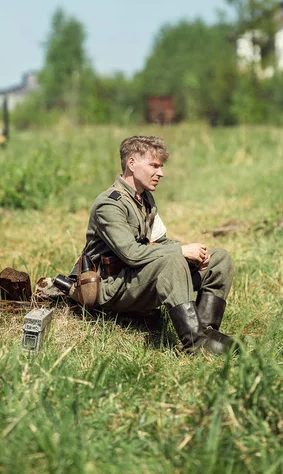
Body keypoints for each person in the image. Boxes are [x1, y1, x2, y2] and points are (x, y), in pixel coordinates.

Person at [54, 135, 235, 355]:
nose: (161, 173)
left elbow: (160, 241)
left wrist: (194, 256)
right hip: (109, 288)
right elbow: (132, 254)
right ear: (131, 163)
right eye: (154, 165)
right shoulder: (109, 204)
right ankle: (194, 345)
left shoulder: (144, 198)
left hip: (136, 278)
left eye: (161, 166)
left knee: (219, 259)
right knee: (172, 260)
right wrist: (181, 251)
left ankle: (204, 331)